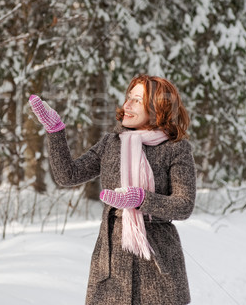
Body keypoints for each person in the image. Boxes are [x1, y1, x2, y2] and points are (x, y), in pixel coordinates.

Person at [29, 74, 196, 305]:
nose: (126, 105)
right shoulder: (111, 143)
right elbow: (68, 176)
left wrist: (140, 199)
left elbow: (183, 205)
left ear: (158, 108)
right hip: (111, 268)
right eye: (129, 97)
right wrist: (55, 131)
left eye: (137, 100)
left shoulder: (176, 149)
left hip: (158, 269)